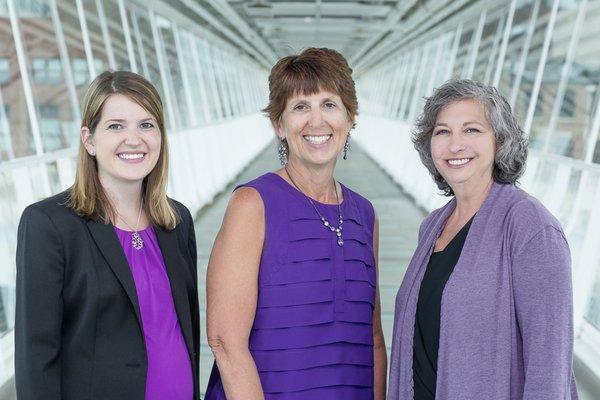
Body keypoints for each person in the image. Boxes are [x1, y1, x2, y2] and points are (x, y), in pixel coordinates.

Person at [204, 47, 387, 400]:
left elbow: (373, 339)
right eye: (300, 107)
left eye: (329, 105)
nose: (316, 122)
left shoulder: (365, 214)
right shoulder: (252, 204)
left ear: (350, 119)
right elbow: (225, 340)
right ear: (279, 124)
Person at [388, 79, 578, 399]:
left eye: (472, 130)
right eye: (442, 131)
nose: (455, 144)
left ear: (500, 142)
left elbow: (550, 363)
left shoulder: (531, 228)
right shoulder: (433, 225)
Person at [15, 71, 200, 400]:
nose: (134, 139)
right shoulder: (50, 224)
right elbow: (36, 356)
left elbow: (186, 329)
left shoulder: (177, 221)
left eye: (146, 125)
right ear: (89, 139)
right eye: (116, 126)